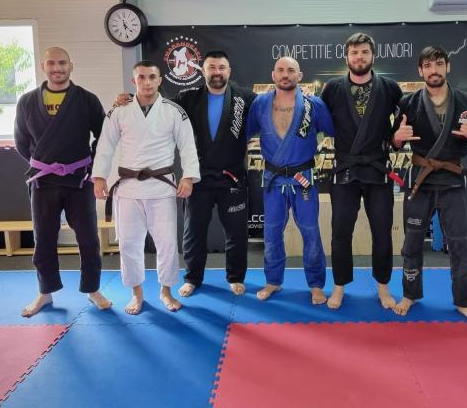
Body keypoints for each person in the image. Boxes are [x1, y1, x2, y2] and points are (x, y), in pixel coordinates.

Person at [92, 61, 200, 315]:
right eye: (141, 77)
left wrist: (188, 177)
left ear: (160, 80)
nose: (147, 82)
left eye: (152, 77)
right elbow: (105, 145)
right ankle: (136, 294)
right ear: (134, 81)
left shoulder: (173, 111)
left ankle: (166, 291)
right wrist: (99, 177)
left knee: (167, 243)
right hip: (128, 188)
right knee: (129, 244)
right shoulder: (119, 111)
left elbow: (187, 145)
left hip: (161, 188)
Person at [392, 45, 467, 325]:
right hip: (420, 179)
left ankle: (463, 301)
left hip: (452, 181)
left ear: (448, 67)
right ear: (420, 71)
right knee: (412, 242)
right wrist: (397, 138)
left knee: (460, 244)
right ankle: (410, 294)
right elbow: (393, 142)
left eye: (438, 64)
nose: (433, 70)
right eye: (428, 66)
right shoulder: (408, 103)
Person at [14, 46, 112, 317]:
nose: (57, 68)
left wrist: (90, 164)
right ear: (43, 67)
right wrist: (43, 163)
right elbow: (21, 142)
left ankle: (93, 289)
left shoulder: (87, 100)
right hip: (44, 181)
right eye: (51, 63)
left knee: (88, 238)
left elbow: (104, 137)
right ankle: (45, 293)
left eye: (62, 63)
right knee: (43, 238)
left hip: (79, 179)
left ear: (71, 66)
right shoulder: (27, 102)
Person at [321, 33, 403, 310]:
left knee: (383, 233)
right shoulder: (332, 89)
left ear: (373, 55)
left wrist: (396, 139)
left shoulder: (390, 88)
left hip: (378, 169)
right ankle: (339, 287)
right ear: (346, 57)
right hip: (345, 169)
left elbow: (403, 123)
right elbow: (318, 120)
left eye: (364, 52)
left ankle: (383, 288)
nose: (359, 57)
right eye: (354, 52)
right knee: (340, 233)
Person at [246, 57, 334, 304]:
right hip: (273, 179)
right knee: (272, 233)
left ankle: (316, 284)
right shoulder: (260, 103)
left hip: (303, 177)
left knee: (311, 232)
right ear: (273, 75)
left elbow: (335, 130)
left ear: (300, 75)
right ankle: (273, 281)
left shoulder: (313, 105)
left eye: (291, 70)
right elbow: (244, 134)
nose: (286, 74)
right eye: (281, 70)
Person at [174, 51, 256, 297]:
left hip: (232, 177)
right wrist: (130, 100)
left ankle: (235, 277)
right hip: (198, 177)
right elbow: (158, 108)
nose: (217, 72)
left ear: (229, 71)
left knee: (236, 233)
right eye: (212, 67)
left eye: (221, 67)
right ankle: (192, 277)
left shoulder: (245, 98)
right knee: (194, 231)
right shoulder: (188, 98)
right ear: (203, 71)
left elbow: (275, 107)